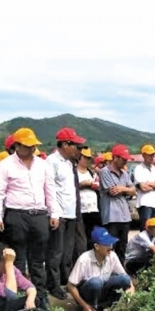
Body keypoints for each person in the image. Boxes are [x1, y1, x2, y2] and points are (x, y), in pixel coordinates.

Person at [0, 127, 54, 309]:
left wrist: (54, 212)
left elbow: (49, 190)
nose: (31, 149)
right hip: (16, 214)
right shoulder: (5, 165)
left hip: (38, 214)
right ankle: (18, 297)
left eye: (33, 146)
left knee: (37, 259)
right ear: (17, 145)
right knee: (17, 259)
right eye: (27, 146)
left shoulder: (42, 165)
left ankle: (41, 297)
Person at [46, 127, 85, 300]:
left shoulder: (69, 163)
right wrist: (54, 213)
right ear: (64, 144)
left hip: (70, 214)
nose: (77, 149)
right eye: (75, 145)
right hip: (58, 214)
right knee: (56, 252)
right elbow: (49, 189)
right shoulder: (52, 162)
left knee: (68, 251)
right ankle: (53, 285)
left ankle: (65, 282)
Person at [67, 226, 135, 311]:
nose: (111, 247)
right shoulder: (84, 259)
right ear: (97, 247)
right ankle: (88, 310)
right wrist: (84, 305)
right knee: (95, 282)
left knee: (124, 279)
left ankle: (109, 305)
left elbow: (125, 277)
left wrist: (131, 289)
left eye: (111, 243)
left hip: (103, 291)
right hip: (88, 293)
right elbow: (70, 286)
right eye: (107, 244)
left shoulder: (112, 255)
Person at [98, 144, 136, 263]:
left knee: (122, 246)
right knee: (109, 247)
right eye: (123, 159)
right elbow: (113, 191)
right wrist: (126, 189)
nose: (125, 162)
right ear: (115, 158)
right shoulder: (105, 172)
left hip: (124, 216)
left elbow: (133, 191)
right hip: (111, 216)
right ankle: (108, 272)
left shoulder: (125, 174)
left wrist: (123, 189)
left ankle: (120, 271)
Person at [76, 147, 101, 254]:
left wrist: (91, 184)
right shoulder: (74, 172)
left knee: (93, 237)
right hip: (81, 209)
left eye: (89, 158)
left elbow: (99, 185)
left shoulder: (92, 173)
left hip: (93, 209)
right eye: (85, 158)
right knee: (81, 239)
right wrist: (83, 184)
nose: (87, 160)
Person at [133, 144, 155, 229]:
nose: (152, 157)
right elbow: (143, 187)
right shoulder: (138, 168)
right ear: (143, 155)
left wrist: (150, 184)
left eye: (153, 155)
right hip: (144, 203)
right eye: (150, 155)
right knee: (146, 228)